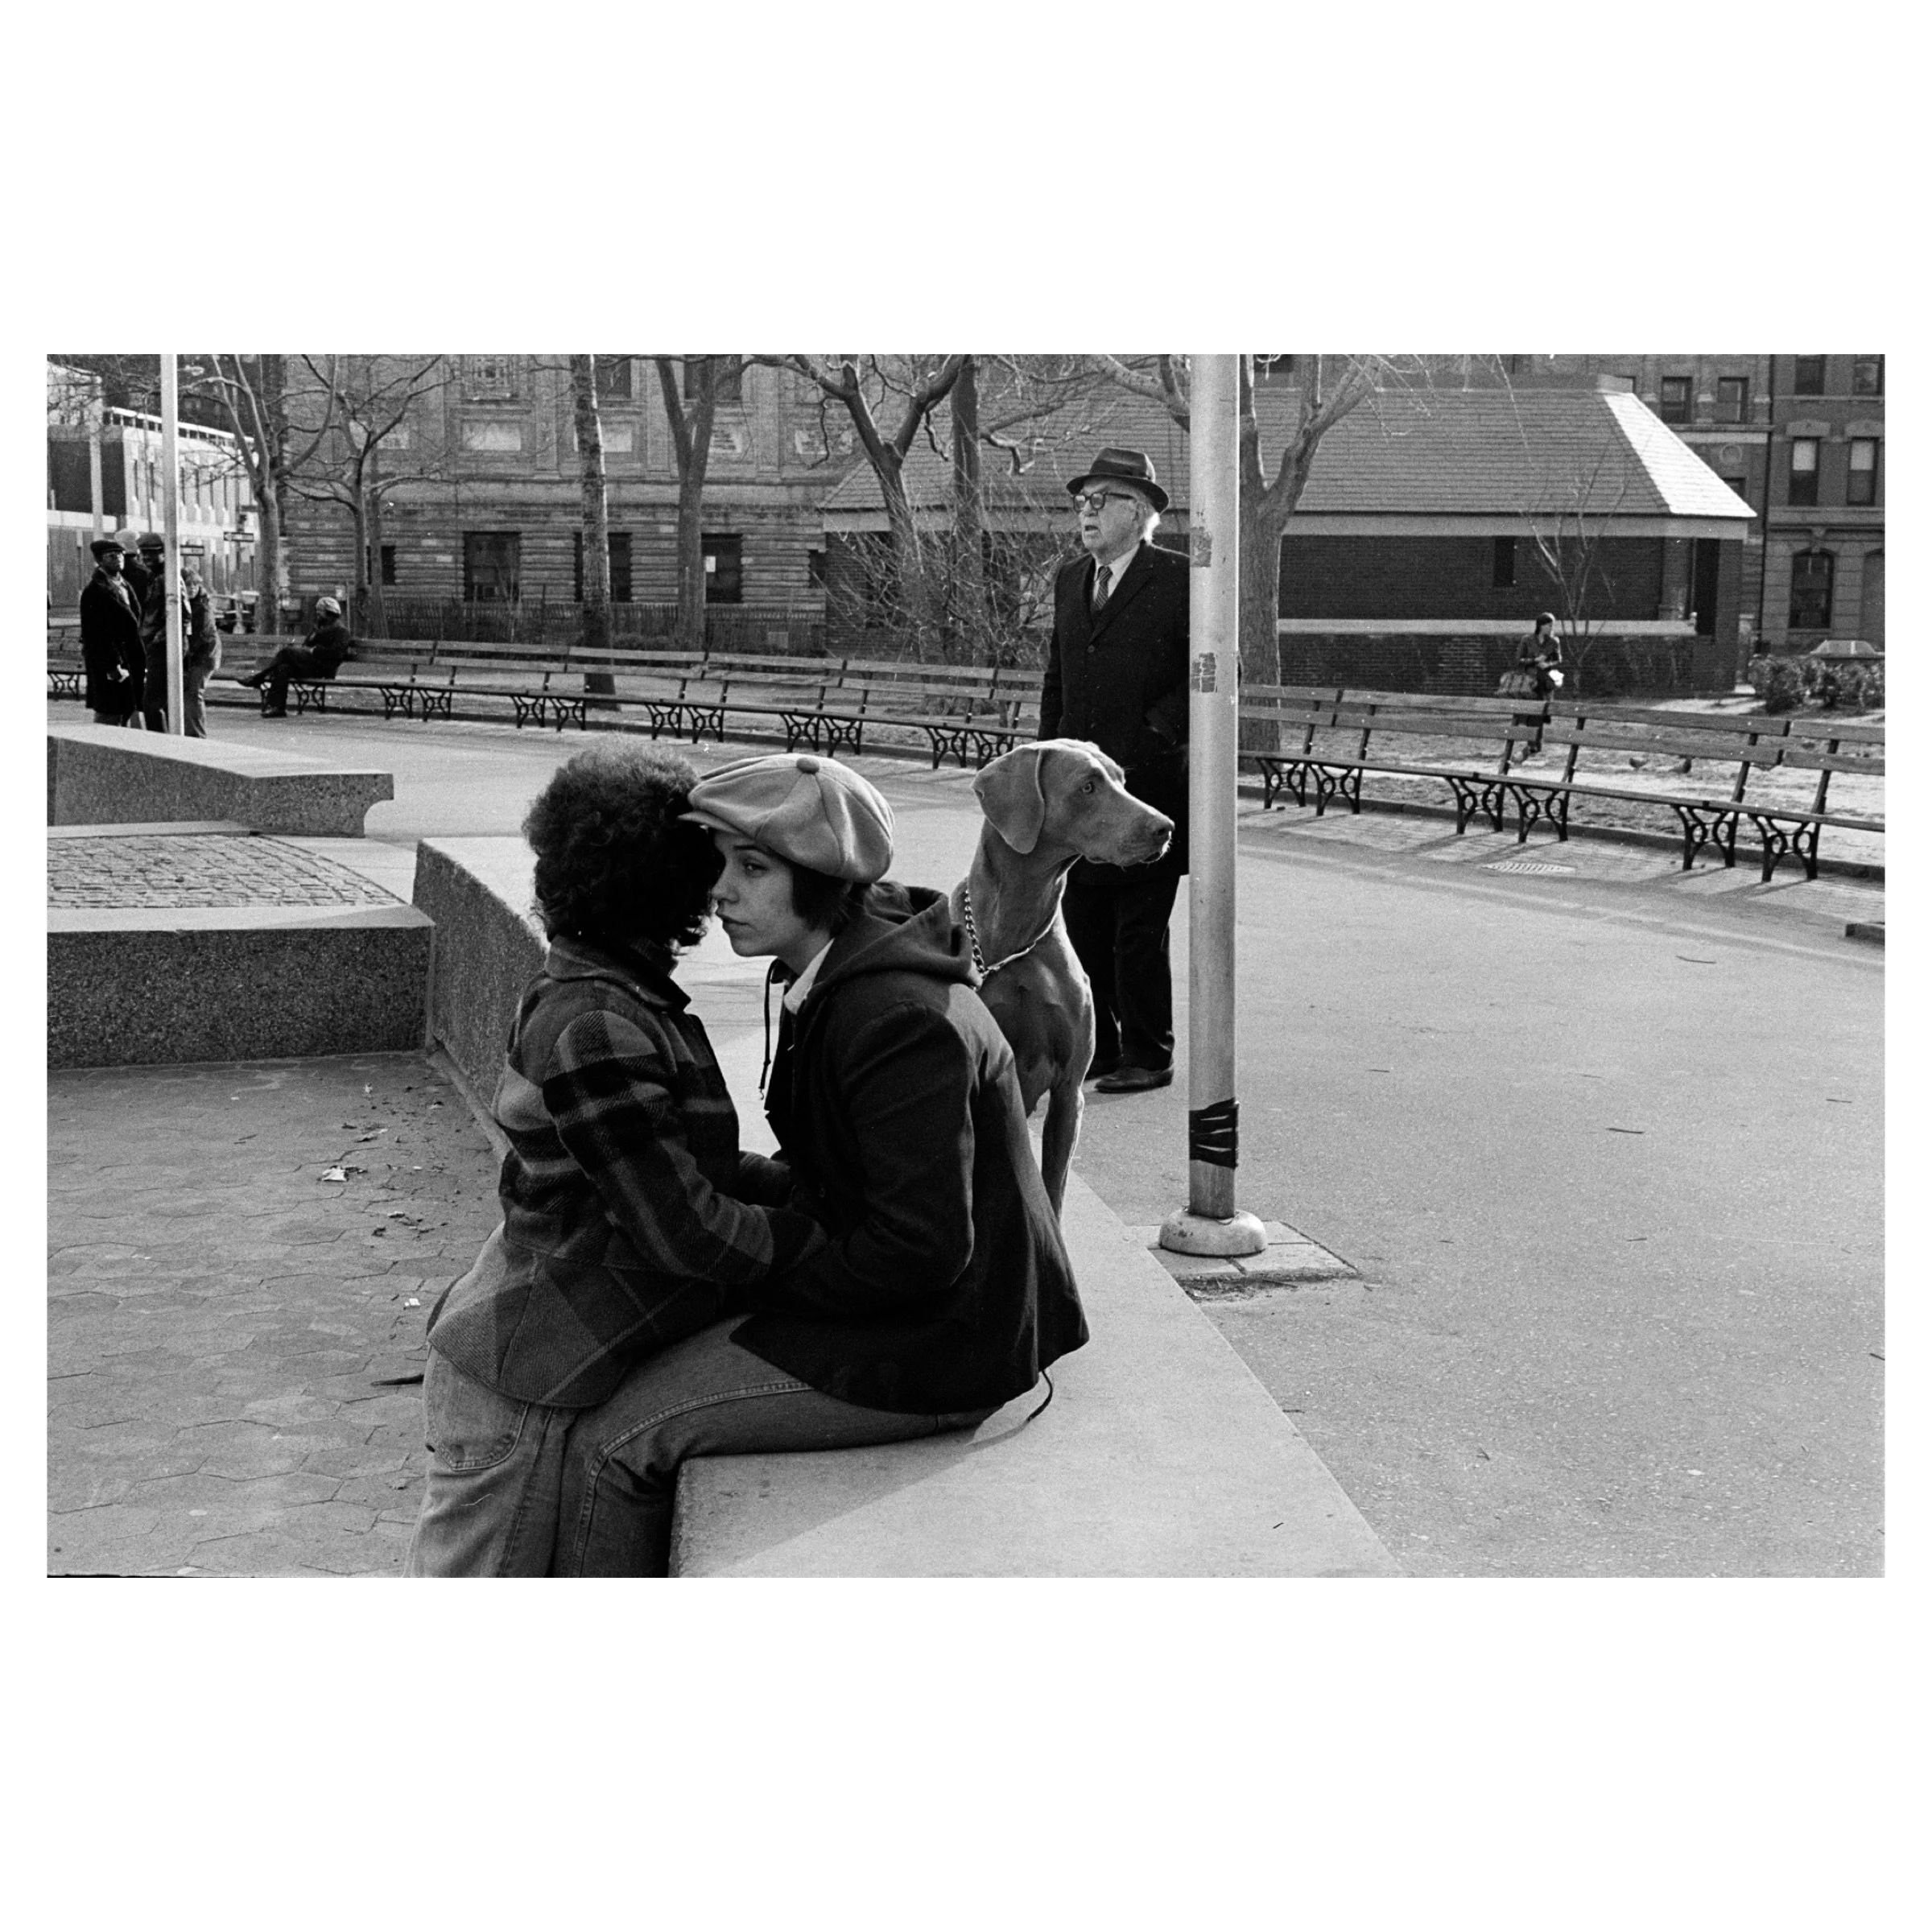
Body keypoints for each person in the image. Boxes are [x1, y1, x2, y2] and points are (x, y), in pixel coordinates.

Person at [550, 752, 1088, 1576]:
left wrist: (742, 1267)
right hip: (908, 1308)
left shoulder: (894, 1019)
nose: (720, 891)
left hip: (948, 1347)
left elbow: (922, 1250)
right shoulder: (835, 974)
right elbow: (841, 1179)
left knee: (611, 1442)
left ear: (824, 877)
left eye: (753, 868)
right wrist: (729, 1200)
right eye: (720, 864)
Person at [405, 743, 826, 1577]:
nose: (723, 887)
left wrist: (795, 1188)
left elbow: (679, 1164)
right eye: (713, 864)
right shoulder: (597, 1020)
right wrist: (832, 1247)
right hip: (518, 1382)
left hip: (536, 1363)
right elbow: (685, 1229)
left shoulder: (609, 992)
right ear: (668, 882)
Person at [1039, 447, 1190, 1093]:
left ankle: (1149, 1054)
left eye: (1101, 500)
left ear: (1140, 511)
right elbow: (1058, 675)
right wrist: (1045, 762)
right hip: (1081, 792)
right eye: (1082, 502)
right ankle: (1099, 1047)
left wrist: (1154, 733)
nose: (1087, 512)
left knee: (1138, 931)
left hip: (1150, 787)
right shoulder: (1072, 578)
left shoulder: (1182, 577)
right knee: (1086, 925)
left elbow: (1213, 672)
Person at [236, 595, 353, 716]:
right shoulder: (319, 629)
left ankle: (258, 678)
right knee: (283, 668)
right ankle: (277, 708)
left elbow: (336, 654)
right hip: (310, 667)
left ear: (330, 614)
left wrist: (315, 651)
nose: (317, 615)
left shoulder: (342, 632)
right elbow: (305, 646)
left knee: (286, 652)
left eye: (320, 613)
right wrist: (314, 635)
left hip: (324, 670)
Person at [77, 538, 146, 726]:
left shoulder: (125, 586)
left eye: (121, 554)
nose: (118, 559)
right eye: (111, 556)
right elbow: (94, 633)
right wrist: (112, 665)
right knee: (108, 712)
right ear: (100, 561)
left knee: (127, 709)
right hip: (108, 661)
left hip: (129, 657)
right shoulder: (95, 590)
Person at [134, 532, 171, 731]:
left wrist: (159, 638)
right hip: (153, 645)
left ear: (164, 553)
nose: (146, 557)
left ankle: (161, 745)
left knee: (152, 704)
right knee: (159, 702)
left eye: (152, 553)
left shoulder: (169, 578)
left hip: (162, 647)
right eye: (143, 553)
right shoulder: (152, 577)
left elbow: (179, 615)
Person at [180, 563, 221, 738]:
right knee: (188, 694)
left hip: (204, 656)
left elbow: (201, 636)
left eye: (195, 585)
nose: (192, 589)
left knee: (194, 693)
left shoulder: (202, 607)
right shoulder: (182, 604)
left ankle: (197, 735)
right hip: (194, 656)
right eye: (188, 585)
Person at [1518, 612, 1566, 699]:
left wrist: (1548, 664)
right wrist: (1535, 660)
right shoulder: (1527, 640)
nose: (1552, 628)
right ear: (1541, 626)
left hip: (1546, 682)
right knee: (1528, 708)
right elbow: (1519, 660)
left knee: (1546, 707)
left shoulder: (1553, 642)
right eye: (1549, 626)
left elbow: (1558, 661)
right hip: (1529, 681)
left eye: (1552, 626)